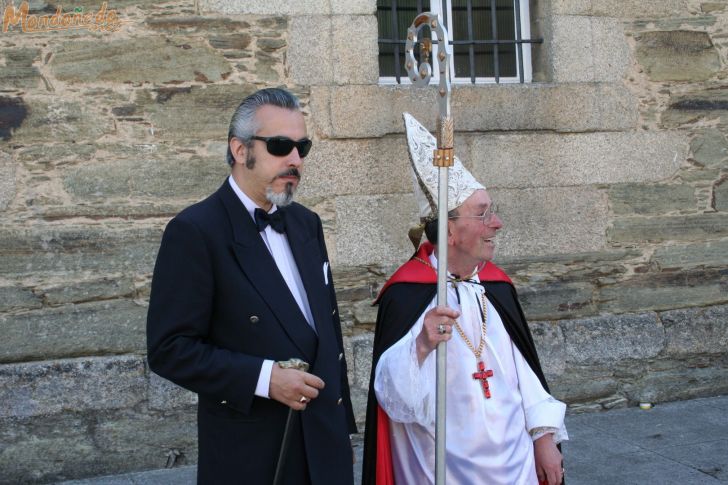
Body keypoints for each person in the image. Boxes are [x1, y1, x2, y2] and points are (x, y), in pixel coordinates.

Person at [147, 88, 357, 485]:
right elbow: (169, 349)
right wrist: (265, 378)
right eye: (280, 146)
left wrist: (343, 429)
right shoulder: (195, 231)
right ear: (240, 150)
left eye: (302, 147)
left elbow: (329, 337)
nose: (295, 160)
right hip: (255, 453)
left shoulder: (305, 223)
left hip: (324, 445)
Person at [361, 113, 567, 485]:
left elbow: (526, 376)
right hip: (440, 466)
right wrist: (420, 346)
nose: (497, 223)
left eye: (493, 211)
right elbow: (392, 400)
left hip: (514, 465)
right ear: (449, 230)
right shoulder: (408, 293)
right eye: (483, 213)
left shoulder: (496, 288)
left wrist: (544, 438)